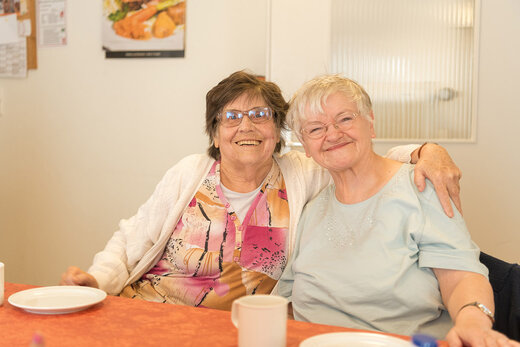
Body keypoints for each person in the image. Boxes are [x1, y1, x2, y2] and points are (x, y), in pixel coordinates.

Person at [60, 71, 461, 311]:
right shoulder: (190, 173)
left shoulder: (303, 174)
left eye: (260, 116)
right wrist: (97, 280)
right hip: (149, 312)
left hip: (238, 330)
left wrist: (427, 151)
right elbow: (133, 237)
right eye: (231, 117)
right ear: (215, 134)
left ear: (278, 132)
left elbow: (363, 159)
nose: (246, 127)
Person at [276, 74, 519, 346]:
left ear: (371, 124)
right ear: (306, 146)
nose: (332, 134)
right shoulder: (311, 209)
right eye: (316, 129)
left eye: (345, 119)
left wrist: (473, 322)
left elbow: (461, 275)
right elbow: (286, 301)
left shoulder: (420, 188)